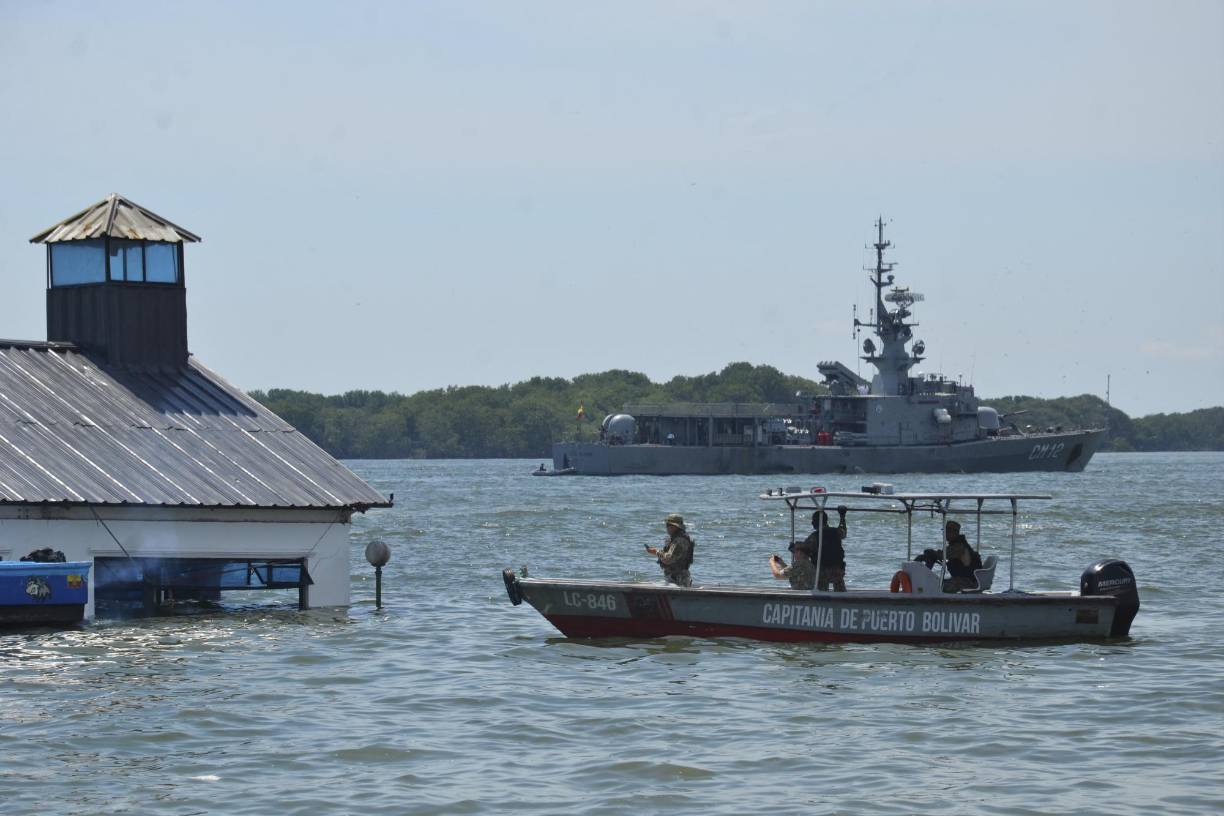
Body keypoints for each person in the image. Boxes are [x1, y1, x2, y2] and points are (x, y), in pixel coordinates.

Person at [802, 506, 848, 591]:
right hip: (837, 571)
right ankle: (842, 596)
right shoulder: (836, 532)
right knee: (840, 588)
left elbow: (803, 550)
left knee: (820, 588)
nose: (812, 523)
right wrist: (842, 517)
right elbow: (843, 532)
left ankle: (821, 599)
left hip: (822, 573)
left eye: (813, 521)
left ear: (815, 523)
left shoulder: (814, 537)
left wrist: (794, 548)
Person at [645, 513, 694, 587]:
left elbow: (668, 559)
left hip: (678, 580)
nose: (667, 527)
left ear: (675, 527)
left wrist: (656, 551)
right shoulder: (676, 538)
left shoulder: (680, 540)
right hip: (675, 578)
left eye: (668, 525)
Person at [942, 520, 983, 592]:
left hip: (968, 582)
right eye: (945, 532)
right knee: (937, 584)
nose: (945, 534)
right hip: (964, 579)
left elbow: (944, 554)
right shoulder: (956, 544)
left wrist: (932, 553)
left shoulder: (959, 546)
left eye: (947, 532)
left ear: (955, 533)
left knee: (939, 587)